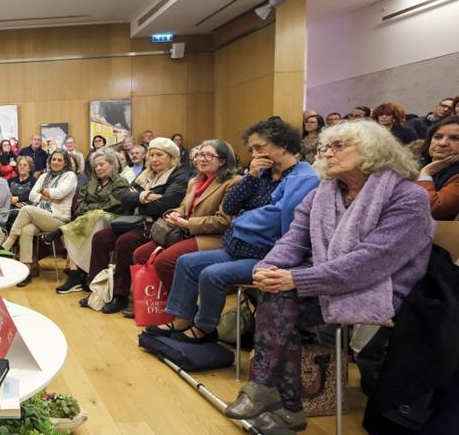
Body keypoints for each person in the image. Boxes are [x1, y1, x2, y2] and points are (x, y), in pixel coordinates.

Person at [226, 120, 435, 432]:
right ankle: (273, 394)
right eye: (325, 147)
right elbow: (293, 241)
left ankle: (278, 398)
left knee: (281, 299)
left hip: (380, 286)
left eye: (338, 146)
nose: (326, 153)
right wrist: (267, 268)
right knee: (276, 293)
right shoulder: (322, 193)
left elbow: (371, 262)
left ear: (374, 150)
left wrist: (298, 280)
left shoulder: (408, 197)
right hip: (326, 279)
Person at [147, 117, 320, 341]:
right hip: (236, 247)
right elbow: (229, 207)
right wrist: (251, 176)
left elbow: (274, 219)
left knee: (211, 274)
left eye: (260, 148)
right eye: (251, 150)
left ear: (283, 144)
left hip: (266, 255)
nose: (255, 154)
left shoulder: (303, 177)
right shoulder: (263, 173)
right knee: (186, 262)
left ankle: (204, 328)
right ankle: (182, 320)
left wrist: (241, 219)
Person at [122, 140, 241, 311]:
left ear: (222, 161)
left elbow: (224, 221)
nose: (201, 159)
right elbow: (184, 207)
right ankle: (155, 306)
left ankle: (186, 309)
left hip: (212, 237)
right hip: (184, 231)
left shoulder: (233, 182)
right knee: (141, 254)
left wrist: (187, 223)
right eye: (200, 154)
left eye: (208, 155)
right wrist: (174, 213)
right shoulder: (195, 181)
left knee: (165, 262)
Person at [81, 138, 190, 313]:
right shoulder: (146, 174)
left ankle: (120, 295)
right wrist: (146, 197)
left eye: (159, 155)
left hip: (159, 226)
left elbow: (165, 204)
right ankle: (97, 291)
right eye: (151, 155)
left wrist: (138, 199)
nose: (154, 159)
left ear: (171, 158)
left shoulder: (179, 176)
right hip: (136, 221)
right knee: (101, 238)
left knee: (125, 242)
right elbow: (124, 198)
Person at [49, 149, 129, 294]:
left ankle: (83, 273)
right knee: (88, 220)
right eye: (95, 166)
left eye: (101, 164)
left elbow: (112, 205)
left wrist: (91, 207)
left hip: (112, 219)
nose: (98, 168)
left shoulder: (120, 182)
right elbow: (80, 206)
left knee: (98, 217)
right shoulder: (91, 183)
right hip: (88, 219)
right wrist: (93, 208)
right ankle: (75, 273)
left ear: (112, 164)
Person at [1, 151, 78, 286]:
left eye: (59, 160)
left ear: (65, 162)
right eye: (53, 159)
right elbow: (32, 195)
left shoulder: (70, 176)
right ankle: (26, 272)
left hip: (59, 218)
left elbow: (60, 193)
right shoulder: (44, 176)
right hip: (41, 215)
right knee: (26, 230)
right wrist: (50, 196)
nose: (55, 162)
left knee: (26, 209)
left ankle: (8, 244)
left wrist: (42, 192)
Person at [416, 116, 459, 219]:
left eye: (455, 138)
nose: (442, 143)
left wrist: (426, 173)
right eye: (438, 137)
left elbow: (433, 208)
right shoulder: (414, 165)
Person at [6, 155, 36, 229]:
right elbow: (5, 194)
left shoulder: (34, 181)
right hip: (11, 206)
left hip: (27, 208)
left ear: (29, 168)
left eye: (25, 165)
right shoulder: (11, 180)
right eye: (20, 165)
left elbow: (33, 195)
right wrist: (15, 202)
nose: (22, 167)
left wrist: (18, 198)